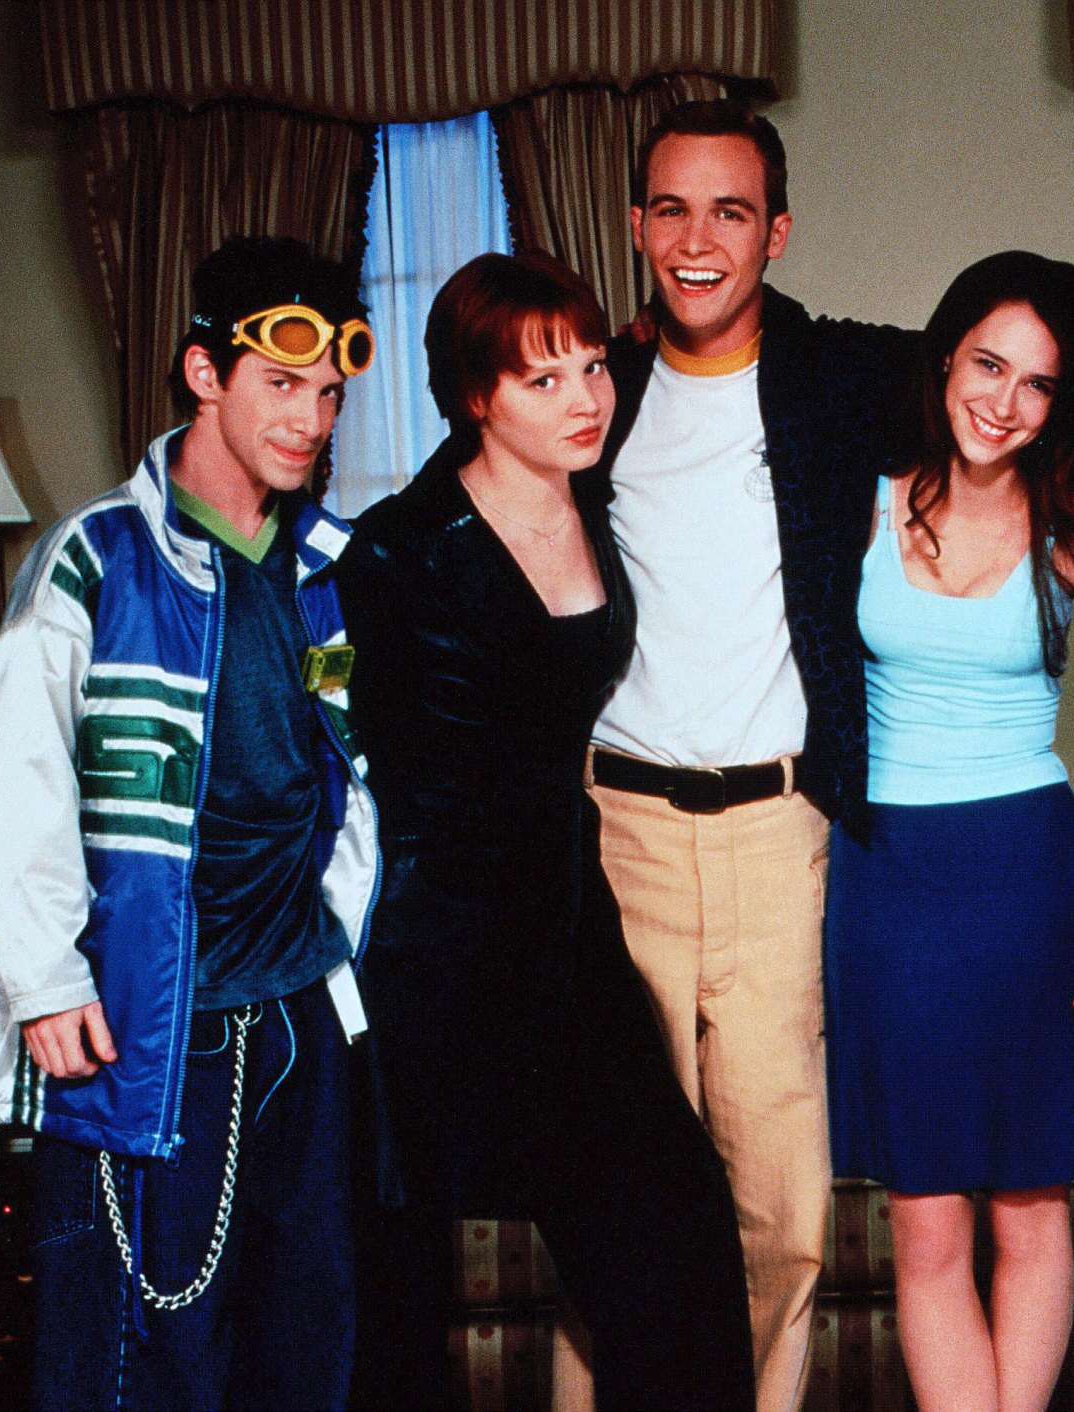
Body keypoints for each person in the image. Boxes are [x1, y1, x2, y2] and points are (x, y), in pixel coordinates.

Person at [0, 237, 379, 1410]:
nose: (311, 419)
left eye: (329, 393)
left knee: (309, 1345)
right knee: (142, 1354)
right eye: (282, 384)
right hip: (155, 1025)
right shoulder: (97, 559)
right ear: (205, 372)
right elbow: (19, 775)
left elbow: (352, 782)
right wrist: (46, 978)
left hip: (299, 1016)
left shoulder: (331, 568)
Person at [336, 251, 755, 1412]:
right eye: (543, 378)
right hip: (435, 950)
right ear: (476, 395)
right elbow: (380, 769)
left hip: (567, 924)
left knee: (678, 1248)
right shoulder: (399, 548)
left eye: (592, 367)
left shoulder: (600, 496)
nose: (585, 397)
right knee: (397, 1288)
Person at [583, 98, 916, 1412]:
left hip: (782, 838)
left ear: (775, 232)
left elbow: (1033, 369)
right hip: (618, 837)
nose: (697, 240)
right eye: (672, 209)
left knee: (784, 1218)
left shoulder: (842, 377)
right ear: (636, 225)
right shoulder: (591, 391)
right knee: (615, 1211)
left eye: (730, 211)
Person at [825, 251, 1074, 1412]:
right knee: (926, 1220)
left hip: (1030, 883)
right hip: (888, 881)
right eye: (989, 364)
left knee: (1032, 1204)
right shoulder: (857, 499)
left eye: (1038, 382)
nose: (1003, 401)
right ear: (946, 354)